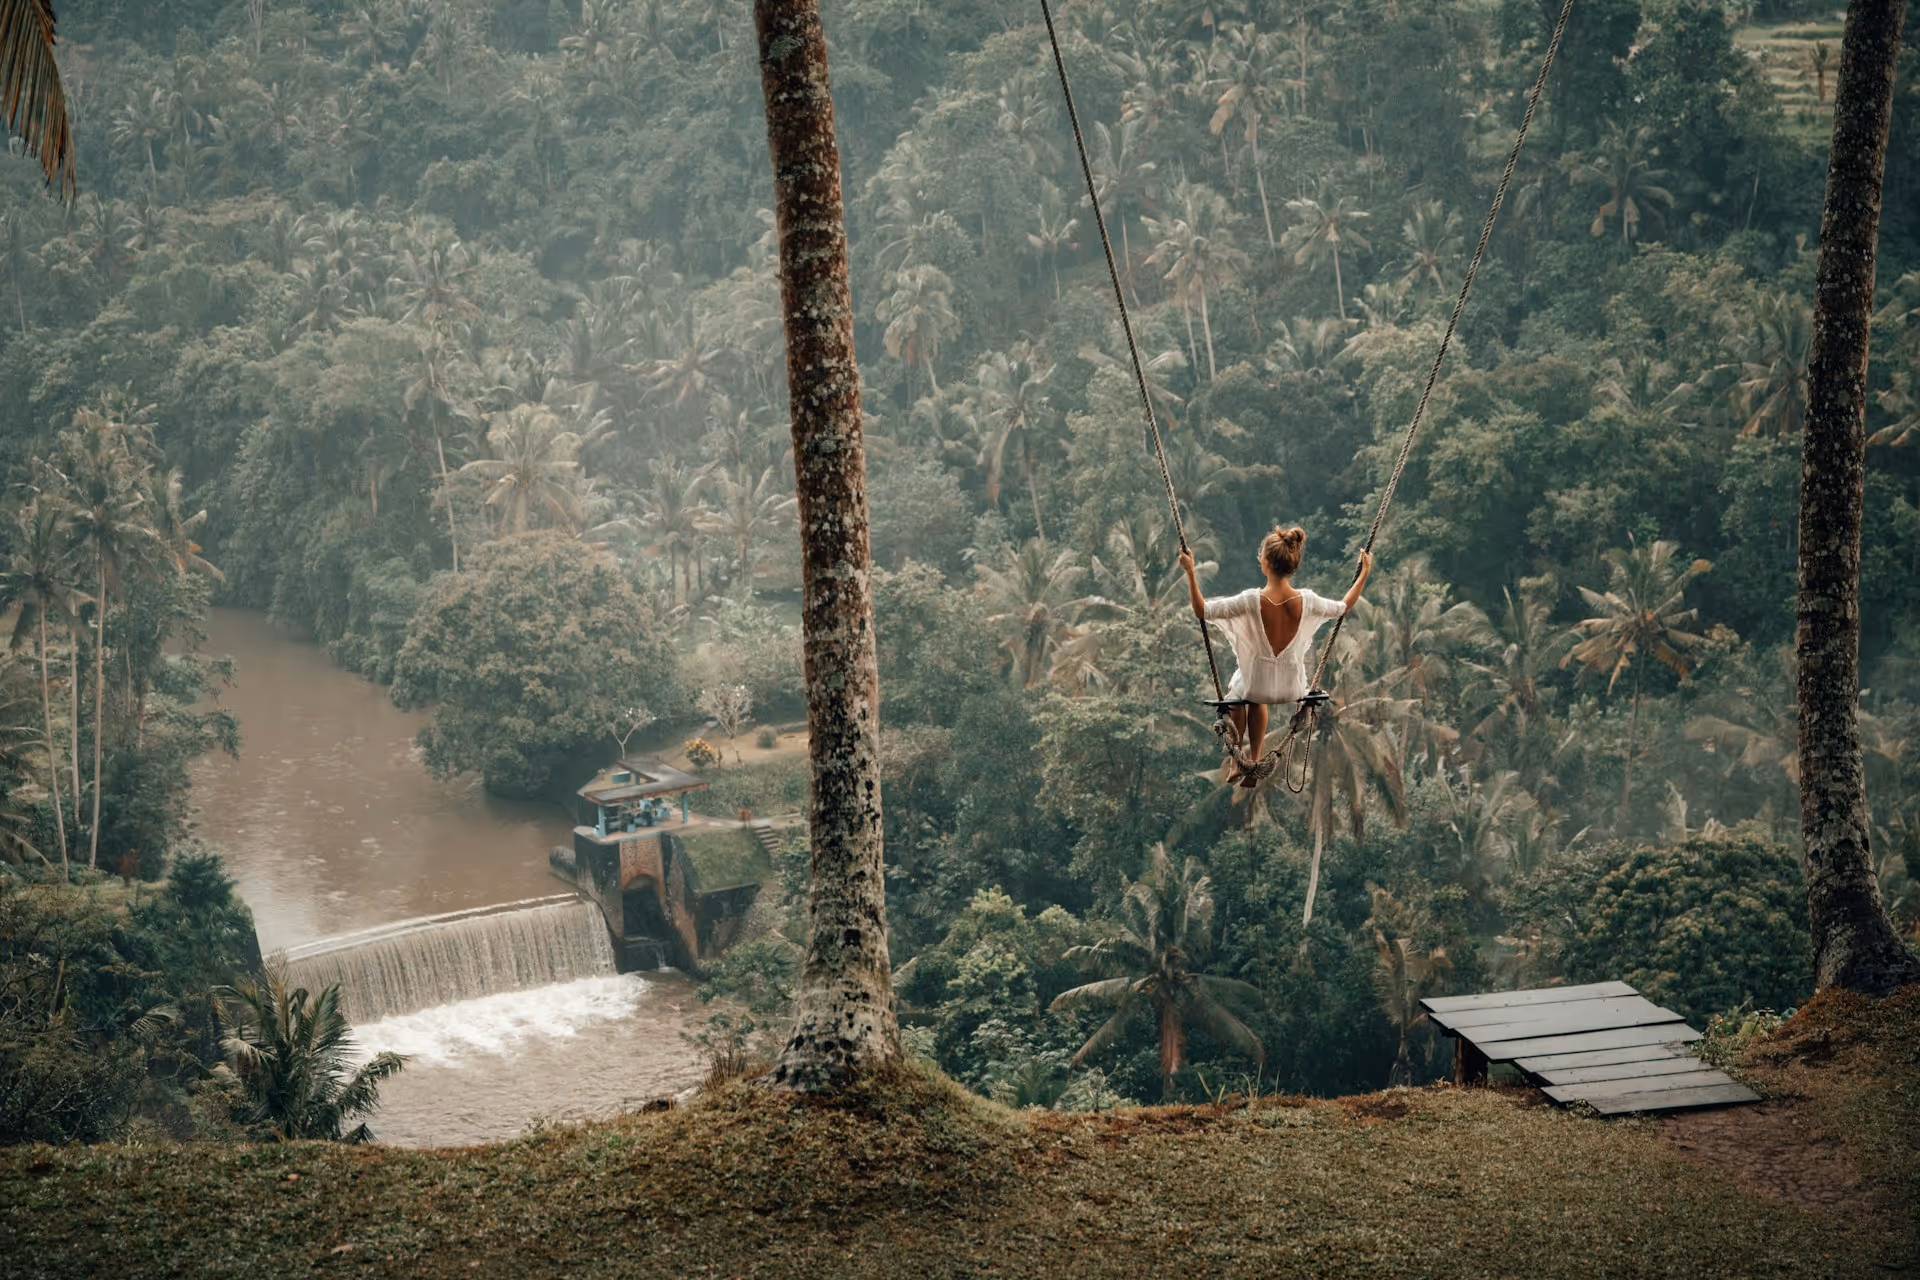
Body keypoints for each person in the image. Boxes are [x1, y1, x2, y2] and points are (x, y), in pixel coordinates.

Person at [1179, 527, 1372, 785]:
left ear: (1265, 563)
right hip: (1292, 688)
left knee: (1240, 693)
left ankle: (1239, 762)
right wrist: (1364, 573)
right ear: (1292, 564)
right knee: (1253, 690)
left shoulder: (1249, 601)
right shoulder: (1309, 601)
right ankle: (1254, 759)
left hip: (1256, 686)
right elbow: (1344, 607)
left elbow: (1201, 610)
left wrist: (1191, 572)